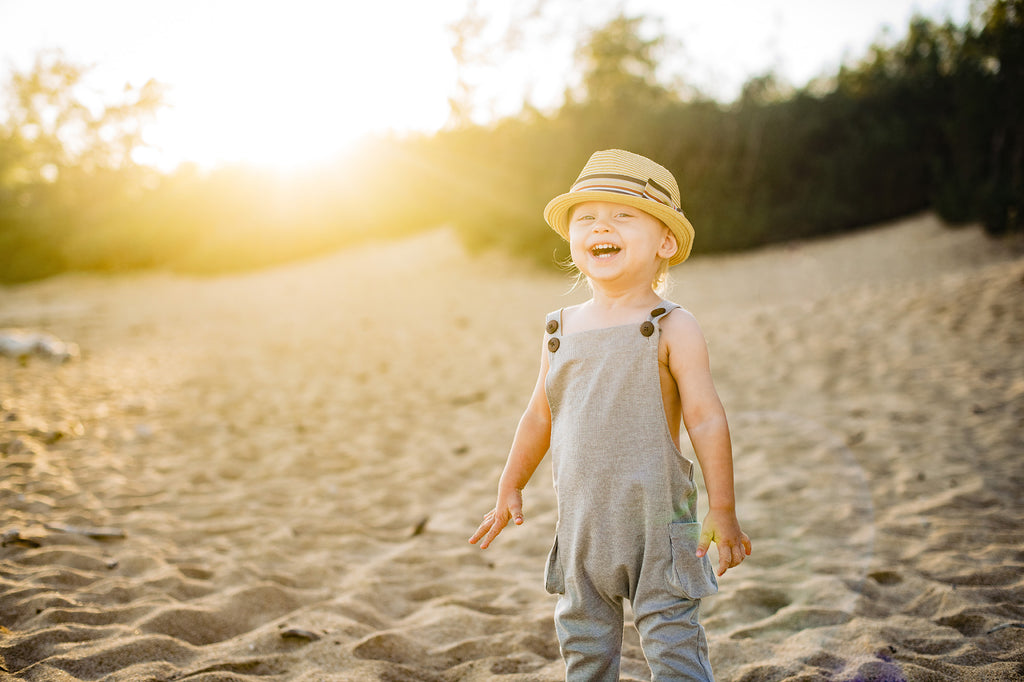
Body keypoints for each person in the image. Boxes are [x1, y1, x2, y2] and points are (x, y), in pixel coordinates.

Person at [469, 149, 751, 681]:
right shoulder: (559, 329)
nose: (601, 225)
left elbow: (707, 419)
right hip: (582, 529)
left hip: (660, 528)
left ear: (665, 242)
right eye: (586, 217)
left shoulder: (671, 326)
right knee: (585, 649)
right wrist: (511, 483)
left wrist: (724, 508)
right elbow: (538, 416)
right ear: (574, 242)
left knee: (674, 648)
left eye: (623, 215)